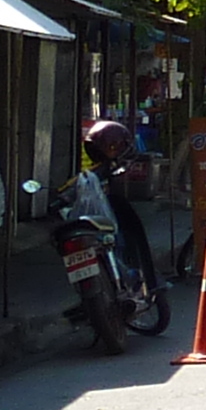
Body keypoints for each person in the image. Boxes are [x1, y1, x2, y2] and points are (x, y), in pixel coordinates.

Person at [81, 117, 159, 306]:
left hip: (104, 218)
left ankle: (127, 282)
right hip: (92, 221)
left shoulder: (105, 170)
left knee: (120, 244)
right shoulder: (91, 174)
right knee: (119, 243)